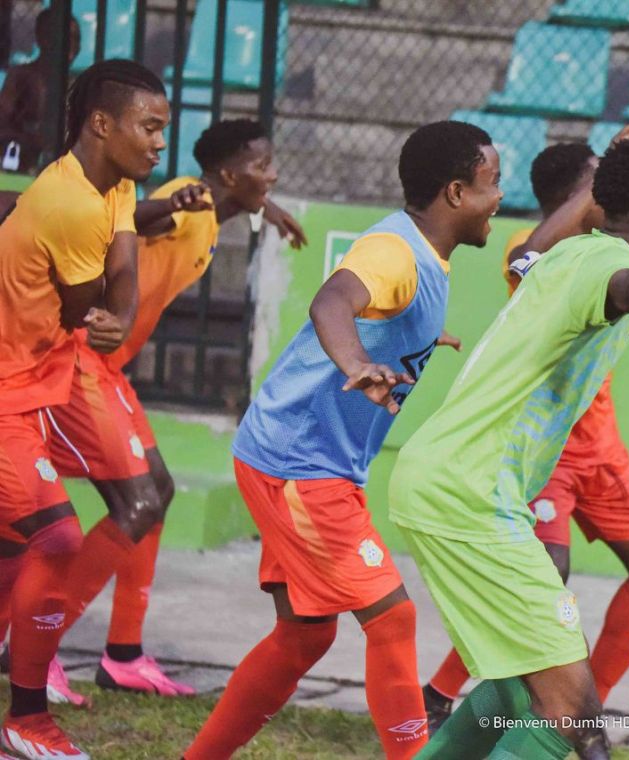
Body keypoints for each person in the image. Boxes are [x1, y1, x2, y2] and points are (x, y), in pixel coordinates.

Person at [388, 136, 629, 760]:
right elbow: (628, 285)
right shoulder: (597, 263)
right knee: (574, 722)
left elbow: (530, 254)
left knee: (512, 698)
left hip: (451, 483)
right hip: (470, 497)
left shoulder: (558, 255)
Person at [183, 119, 501, 760]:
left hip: (298, 458)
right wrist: (357, 361)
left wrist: (413, 342)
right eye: (494, 184)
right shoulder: (397, 252)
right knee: (393, 617)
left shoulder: (423, 257)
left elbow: (377, 310)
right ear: (457, 192)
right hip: (299, 464)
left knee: (303, 638)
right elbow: (331, 303)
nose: (501, 198)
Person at [10, 118, 306, 704]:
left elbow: (205, 206)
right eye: (262, 166)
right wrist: (162, 205)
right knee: (137, 500)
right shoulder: (182, 205)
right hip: (80, 364)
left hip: (109, 369)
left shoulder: (213, 210)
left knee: (159, 491)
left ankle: (122, 654)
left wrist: (265, 209)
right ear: (226, 175)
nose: (272, 175)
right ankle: (34, 650)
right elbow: (142, 217)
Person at [422, 129, 629, 753]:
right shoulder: (540, 251)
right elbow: (541, 262)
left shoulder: (609, 251)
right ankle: (500, 700)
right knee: (547, 584)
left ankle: (575, 707)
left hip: (601, 448)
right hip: (539, 460)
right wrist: (602, 188)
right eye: (596, 185)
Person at [0, 58, 168, 760]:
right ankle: (26, 719)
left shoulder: (116, 182)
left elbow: (121, 276)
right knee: (57, 539)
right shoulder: (66, 203)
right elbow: (88, 308)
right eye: (150, 127)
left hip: (42, 378)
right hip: (9, 391)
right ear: (102, 124)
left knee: (23, 545)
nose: (161, 142)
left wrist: (117, 316)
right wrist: (111, 316)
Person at [0, 6, 80, 172]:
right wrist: (31, 138)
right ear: (41, 38)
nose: (72, 45)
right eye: (66, 37)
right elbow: (3, 123)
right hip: (22, 162)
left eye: (76, 39)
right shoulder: (22, 76)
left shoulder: (77, 84)